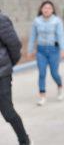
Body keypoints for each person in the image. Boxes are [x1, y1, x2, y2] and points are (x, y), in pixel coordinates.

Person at [0, 12, 32, 145]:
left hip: (1, 75)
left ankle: (24, 140)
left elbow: (15, 45)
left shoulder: (1, 19)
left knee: (8, 112)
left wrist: (6, 65)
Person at [28, 0, 64, 106]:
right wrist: (30, 50)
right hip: (41, 51)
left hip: (54, 50)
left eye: (49, 8)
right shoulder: (37, 21)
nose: (46, 10)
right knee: (42, 73)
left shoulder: (57, 21)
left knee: (54, 73)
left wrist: (63, 49)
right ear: (41, 9)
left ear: (52, 10)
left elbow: (61, 36)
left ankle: (60, 86)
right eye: (45, 8)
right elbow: (32, 36)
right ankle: (42, 96)